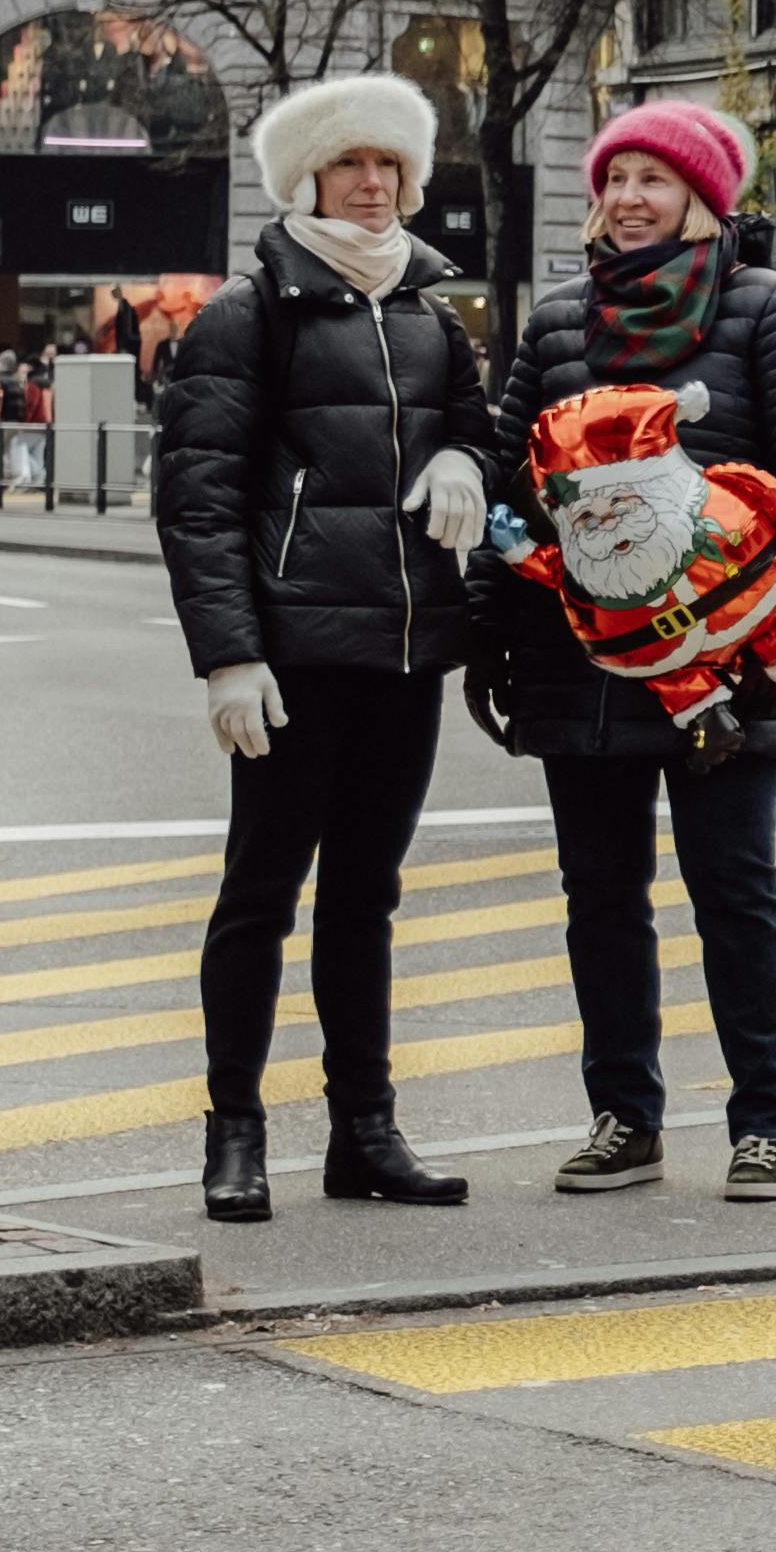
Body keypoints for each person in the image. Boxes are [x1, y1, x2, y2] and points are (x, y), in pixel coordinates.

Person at [481, 98, 776, 1209]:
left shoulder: (766, 310)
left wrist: (766, 625)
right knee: (600, 894)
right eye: (616, 179)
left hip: (724, 661)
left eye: (655, 179)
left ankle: (763, 1123)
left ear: (704, 196)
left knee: (734, 886)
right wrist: (494, 635)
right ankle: (625, 1116)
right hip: (578, 659)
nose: (631, 198)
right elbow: (510, 481)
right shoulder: (557, 323)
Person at [148, 72, 495, 1226]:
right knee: (259, 894)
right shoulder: (245, 315)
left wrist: (464, 459)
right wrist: (227, 656)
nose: (374, 185)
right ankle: (234, 1132)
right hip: (293, 655)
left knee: (366, 897)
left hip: (404, 654)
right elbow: (199, 501)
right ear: (307, 179)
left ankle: (366, 1130)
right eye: (351, 165)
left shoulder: (431, 317)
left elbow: (480, 431)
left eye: (390, 166)